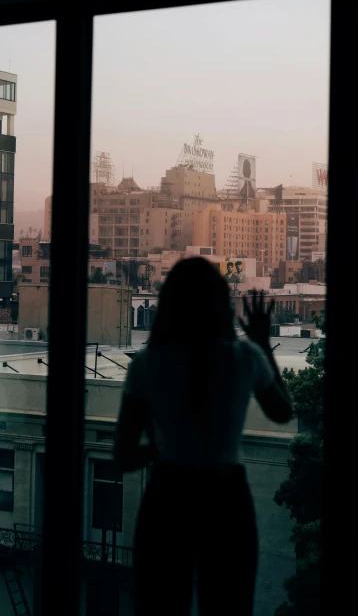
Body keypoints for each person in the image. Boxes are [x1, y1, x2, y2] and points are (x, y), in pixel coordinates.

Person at [114, 257, 293, 616]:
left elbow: (123, 455)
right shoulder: (243, 356)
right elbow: (282, 412)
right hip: (226, 497)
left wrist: (163, 449)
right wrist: (261, 342)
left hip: (168, 496)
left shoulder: (147, 364)